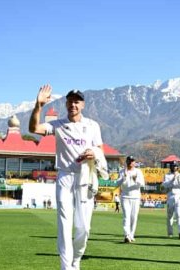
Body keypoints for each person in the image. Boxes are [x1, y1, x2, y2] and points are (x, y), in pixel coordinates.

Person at [29, 85, 106, 270]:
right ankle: (66, 267)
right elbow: (34, 128)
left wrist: (93, 153)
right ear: (66, 103)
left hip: (85, 177)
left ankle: (76, 259)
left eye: (77, 101)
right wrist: (38, 106)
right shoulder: (58, 124)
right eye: (70, 101)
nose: (73, 104)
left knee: (83, 228)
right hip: (65, 176)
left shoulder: (92, 126)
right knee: (64, 222)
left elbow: (101, 150)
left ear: (83, 105)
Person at [116, 155, 145, 243]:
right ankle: (126, 235)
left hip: (136, 197)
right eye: (130, 161)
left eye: (133, 161)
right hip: (125, 196)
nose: (131, 163)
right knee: (126, 216)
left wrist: (136, 180)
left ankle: (131, 234)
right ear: (127, 162)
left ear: (134, 162)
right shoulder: (122, 171)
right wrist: (123, 178)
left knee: (134, 217)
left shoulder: (138, 171)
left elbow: (142, 184)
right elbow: (117, 183)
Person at [162, 161, 180, 239]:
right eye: (172, 166)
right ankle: (170, 232)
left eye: (175, 166)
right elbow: (165, 185)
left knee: (179, 214)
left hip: (178, 196)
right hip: (170, 196)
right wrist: (173, 179)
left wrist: (178, 179)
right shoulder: (167, 175)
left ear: (177, 167)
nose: (174, 167)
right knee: (170, 216)